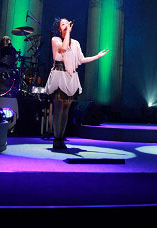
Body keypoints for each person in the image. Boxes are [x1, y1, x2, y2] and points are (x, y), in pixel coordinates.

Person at [44, 18, 109, 150]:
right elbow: (63, 49)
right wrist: (67, 32)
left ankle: (61, 138)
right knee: (58, 109)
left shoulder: (75, 43)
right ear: (59, 29)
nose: (66, 25)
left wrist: (96, 56)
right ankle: (56, 138)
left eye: (67, 23)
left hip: (70, 76)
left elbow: (81, 59)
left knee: (66, 110)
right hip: (59, 75)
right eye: (63, 24)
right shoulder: (56, 40)